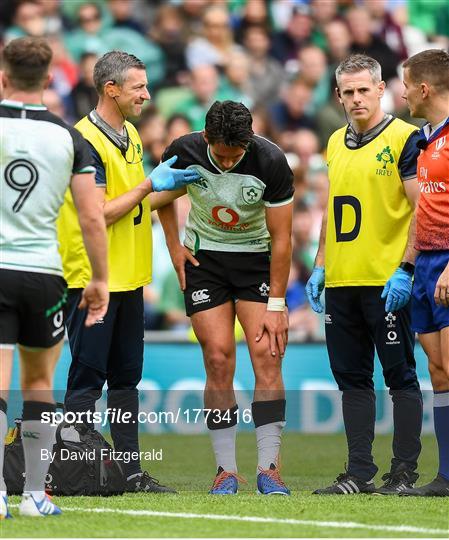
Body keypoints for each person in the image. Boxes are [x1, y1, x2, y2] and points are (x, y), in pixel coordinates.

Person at [58, 50, 199, 493]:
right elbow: (98, 213)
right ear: (111, 89)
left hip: (130, 277)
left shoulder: (130, 133)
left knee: (126, 382)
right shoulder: (83, 141)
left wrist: (174, 189)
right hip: (92, 281)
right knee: (87, 379)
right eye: (138, 86)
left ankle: (131, 472)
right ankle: (72, 471)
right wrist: (149, 183)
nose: (147, 93)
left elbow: (136, 202)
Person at [158, 100, 294, 495]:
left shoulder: (271, 160)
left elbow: (283, 238)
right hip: (206, 262)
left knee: (268, 355)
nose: (230, 162)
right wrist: (174, 248)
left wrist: (277, 304)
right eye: (222, 155)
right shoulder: (183, 150)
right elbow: (161, 195)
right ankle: (226, 471)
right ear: (206, 138)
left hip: (256, 263)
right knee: (218, 359)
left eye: (238, 155)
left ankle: (270, 468)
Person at [0, 37, 109, 517]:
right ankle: (35, 495)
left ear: (3, 76)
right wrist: (100, 278)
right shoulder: (69, 137)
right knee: (40, 383)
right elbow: (91, 217)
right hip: (45, 273)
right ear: (48, 80)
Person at [306, 54, 423, 495]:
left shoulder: (405, 138)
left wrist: (406, 268)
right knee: (351, 380)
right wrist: (320, 264)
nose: (355, 98)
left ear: (380, 89)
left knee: (400, 377)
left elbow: (422, 208)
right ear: (338, 95)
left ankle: (404, 472)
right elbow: (332, 209)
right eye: (347, 92)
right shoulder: (335, 142)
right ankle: (359, 472)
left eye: (363, 90)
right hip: (341, 282)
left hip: (384, 281)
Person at [401, 49, 449, 497]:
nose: (402, 92)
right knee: (438, 370)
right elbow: (424, 208)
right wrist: (409, 266)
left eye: (405, 84)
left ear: (424, 88)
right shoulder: (426, 138)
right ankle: (446, 476)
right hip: (427, 263)